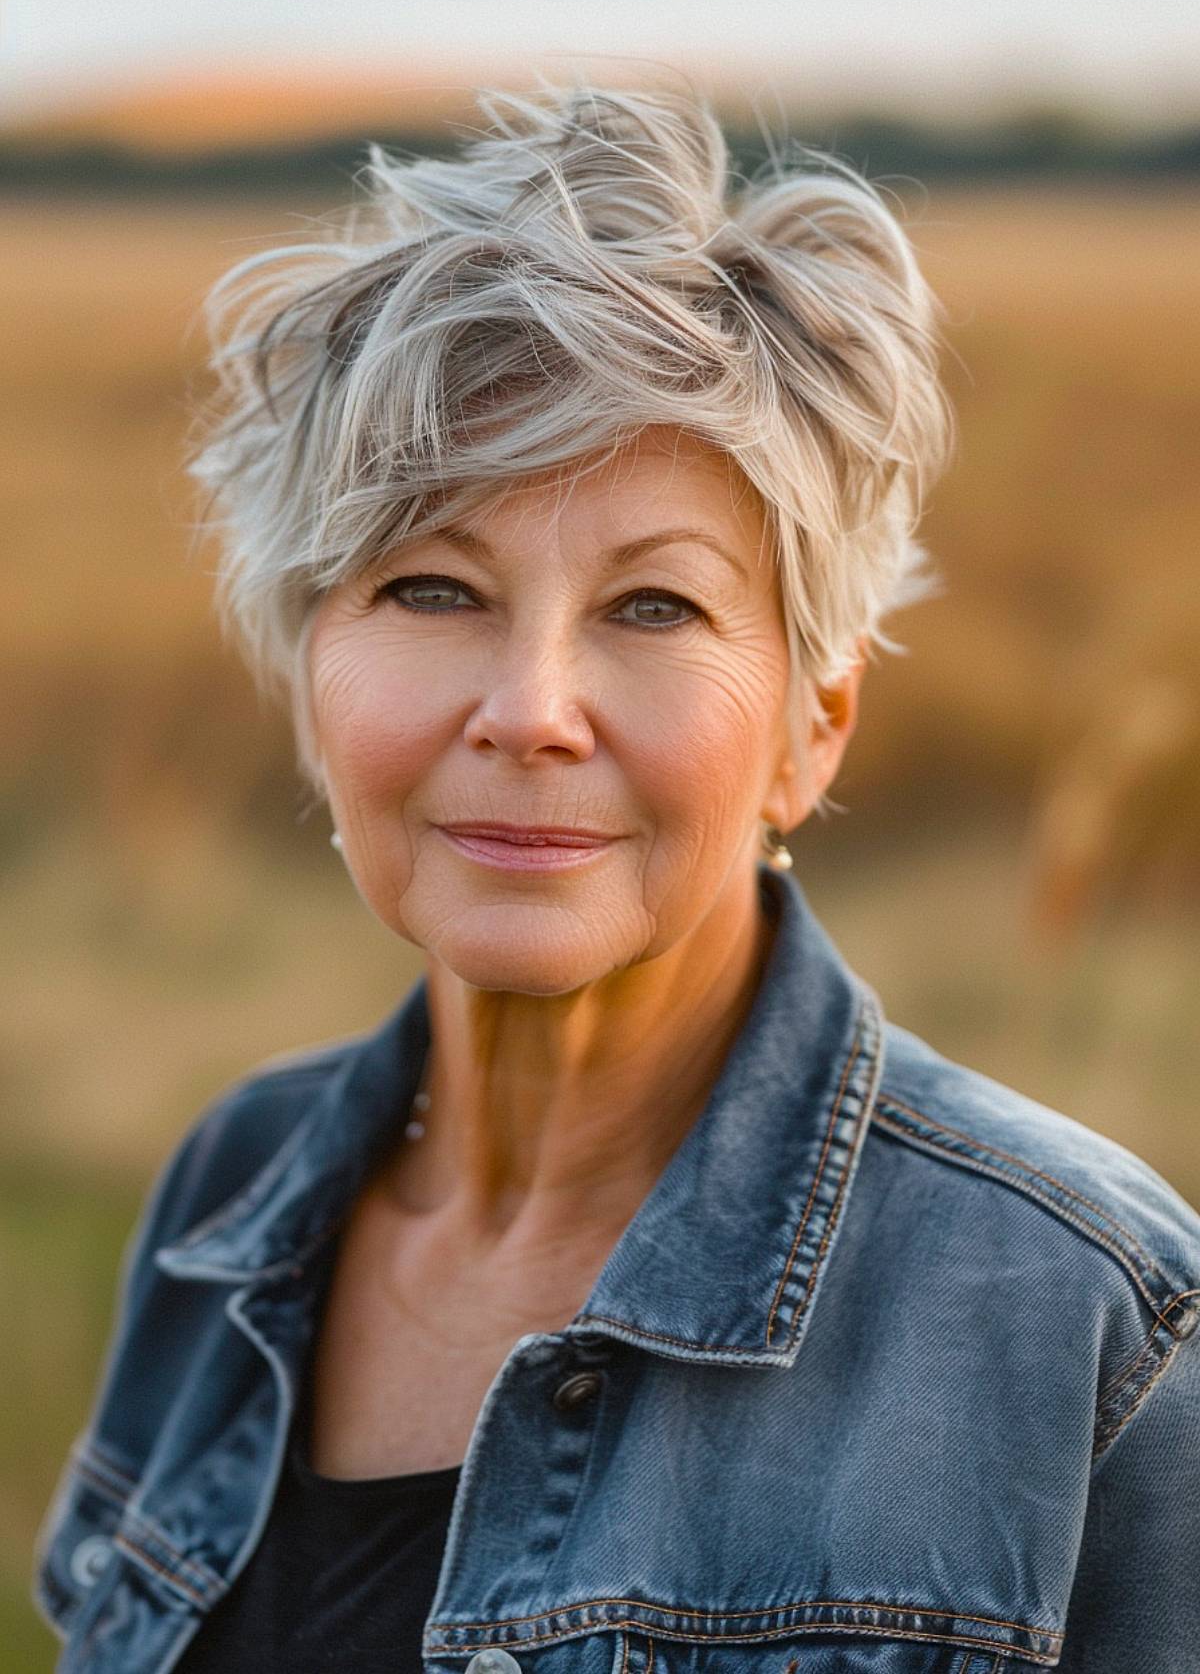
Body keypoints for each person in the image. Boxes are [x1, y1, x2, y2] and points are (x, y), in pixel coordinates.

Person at [33, 81, 1200, 1674]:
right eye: (432, 586)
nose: (527, 710)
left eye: (654, 608)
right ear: (312, 678)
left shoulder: (1081, 1322)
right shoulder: (229, 1199)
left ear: (813, 725)